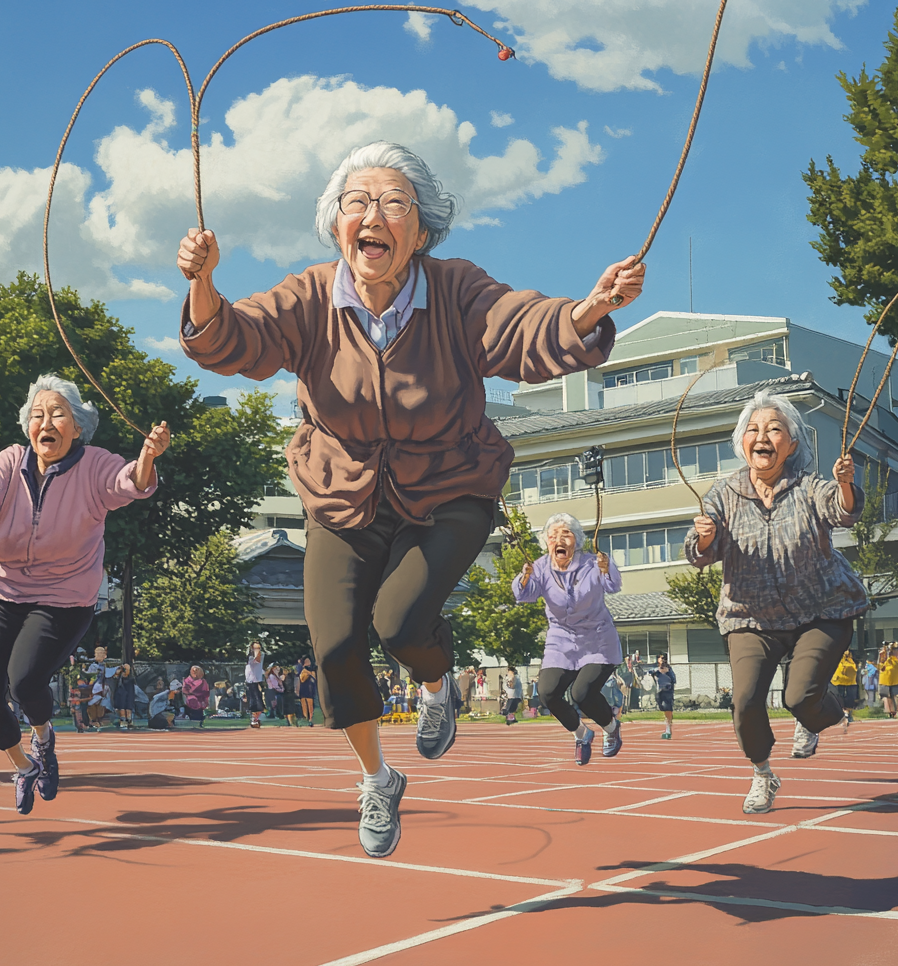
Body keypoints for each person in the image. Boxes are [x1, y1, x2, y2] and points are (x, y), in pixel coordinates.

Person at [177, 141, 641, 857]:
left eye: (394, 203)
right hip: (342, 495)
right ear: (336, 225)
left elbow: (519, 329)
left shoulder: (455, 290)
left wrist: (587, 310)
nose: (374, 215)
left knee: (398, 622)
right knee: (334, 647)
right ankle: (377, 778)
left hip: (450, 486)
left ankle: (434, 684)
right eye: (357, 202)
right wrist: (205, 284)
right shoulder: (308, 298)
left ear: (421, 231)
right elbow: (235, 340)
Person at [0, 373, 167, 813]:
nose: (46, 421)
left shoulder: (96, 464)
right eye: (38, 414)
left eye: (58, 413)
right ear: (29, 426)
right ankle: (23, 765)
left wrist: (147, 456)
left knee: (24, 680)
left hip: (63, 593)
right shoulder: (9, 461)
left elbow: (129, 484)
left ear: (77, 426)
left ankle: (45, 738)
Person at [685, 390, 867, 814]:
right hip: (749, 615)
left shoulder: (808, 487)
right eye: (753, 429)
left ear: (792, 443)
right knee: (745, 701)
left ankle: (820, 716)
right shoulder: (723, 493)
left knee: (800, 697)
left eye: (774, 429)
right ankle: (764, 774)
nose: (762, 436)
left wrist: (844, 485)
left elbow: (842, 511)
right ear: (741, 442)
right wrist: (706, 537)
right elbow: (699, 552)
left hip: (821, 609)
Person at [512, 513, 625, 766]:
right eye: (553, 535)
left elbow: (613, 585)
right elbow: (524, 595)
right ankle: (582, 734)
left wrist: (607, 569)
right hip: (560, 639)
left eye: (566, 534)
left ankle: (611, 727)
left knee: (581, 693)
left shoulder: (591, 563)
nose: (559, 539)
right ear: (547, 542)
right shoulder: (540, 567)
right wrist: (526, 577)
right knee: (547, 693)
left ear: (577, 541)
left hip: (597, 638)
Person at [649, 654, 677, 739]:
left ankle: (668, 728)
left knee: (667, 708)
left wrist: (667, 672)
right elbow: (649, 673)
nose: (662, 660)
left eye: (663, 658)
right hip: (659, 691)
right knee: (662, 707)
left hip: (667, 691)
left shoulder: (669, 670)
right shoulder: (656, 670)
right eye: (660, 658)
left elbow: (673, 680)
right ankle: (667, 724)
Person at [830, 649, 858, 729]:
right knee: (839, 698)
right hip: (838, 680)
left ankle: (847, 715)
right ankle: (842, 716)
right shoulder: (836, 654)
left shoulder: (852, 656)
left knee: (850, 699)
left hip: (851, 681)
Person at [878, 648, 898, 718]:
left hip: (896, 681)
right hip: (885, 681)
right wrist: (883, 655)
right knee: (888, 696)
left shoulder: (897, 660)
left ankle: (896, 711)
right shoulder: (885, 659)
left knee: (896, 696)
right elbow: (881, 667)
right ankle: (890, 712)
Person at [245, 642, 266, 729]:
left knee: (260, 704)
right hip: (250, 682)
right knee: (253, 703)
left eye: (258, 648)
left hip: (257, 681)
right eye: (255, 648)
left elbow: (259, 660)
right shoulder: (250, 657)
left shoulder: (261, 655)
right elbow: (255, 660)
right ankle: (254, 719)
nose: (257, 650)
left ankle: (256, 718)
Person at [114, 662, 137, 730]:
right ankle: (123, 720)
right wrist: (118, 672)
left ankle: (129, 720)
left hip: (129, 694)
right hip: (121, 694)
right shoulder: (119, 679)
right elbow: (114, 680)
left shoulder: (131, 679)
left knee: (128, 707)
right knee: (122, 706)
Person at [298, 657, 317, 727]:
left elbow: (315, 678)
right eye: (306, 661)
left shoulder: (313, 670)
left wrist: (310, 673)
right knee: (304, 704)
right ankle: (305, 717)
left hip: (310, 689)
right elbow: (302, 679)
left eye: (309, 661)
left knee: (310, 705)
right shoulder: (302, 670)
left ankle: (310, 719)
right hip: (303, 688)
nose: (308, 662)